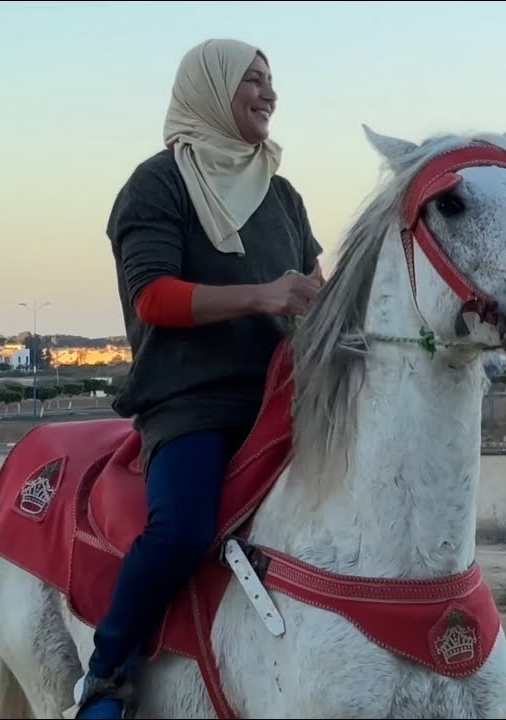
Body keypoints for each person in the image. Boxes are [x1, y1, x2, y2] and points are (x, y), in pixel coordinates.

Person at [72, 38, 325, 720]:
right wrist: (261, 295)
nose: (270, 94)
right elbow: (151, 296)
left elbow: (313, 295)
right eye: (253, 81)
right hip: (194, 403)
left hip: (283, 400)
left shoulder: (283, 193)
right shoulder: (156, 183)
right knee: (183, 530)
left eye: (272, 81)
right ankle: (106, 673)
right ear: (211, 91)